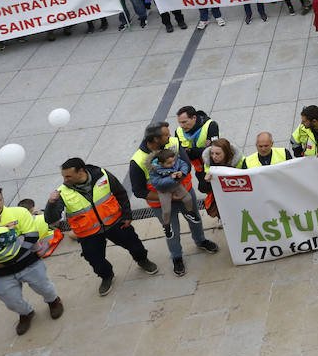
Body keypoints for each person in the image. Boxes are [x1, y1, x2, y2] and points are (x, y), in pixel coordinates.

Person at [43, 158, 159, 295]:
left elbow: (120, 193)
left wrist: (127, 215)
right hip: (89, 234)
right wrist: (51, 203)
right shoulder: (62, 192)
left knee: (135, 245)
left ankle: (142, 260)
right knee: (95, 259)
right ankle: (107, 276)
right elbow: (51, 219)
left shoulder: (102, 175)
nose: (65, 179)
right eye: (63, 176)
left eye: (68, 176)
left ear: (81, 171)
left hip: (115, 223)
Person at [0, 186, 64, 335]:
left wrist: (8, 256)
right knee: (10, 299)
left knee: (44, 287)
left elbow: (31, 236)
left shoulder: (19, 212)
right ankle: (26, 313)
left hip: (28, 264)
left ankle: (53, 301)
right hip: (1, 273)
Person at [128, 123, 218, 275]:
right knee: (172, 231)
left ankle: (200, 240)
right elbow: (138, 191)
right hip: (161, 204)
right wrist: (168, 196)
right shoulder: (137, 161)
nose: (169, 136)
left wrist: (180, 177)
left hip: (185, 195)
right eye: (165, 135)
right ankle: (177, 257)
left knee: (195, 220)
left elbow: (187, 165)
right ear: (155, 139)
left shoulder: (173, 143)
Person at [146, 147, 198, 238]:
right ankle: (166, 225)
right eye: (169, 163)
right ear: (161, 163)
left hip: (176, 185)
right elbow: (157, 184)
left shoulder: (175, 160)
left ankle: (190, 213)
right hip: (164, 190)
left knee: (188, 198)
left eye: (173, 161)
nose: (173, 164)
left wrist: (182, 172)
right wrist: (171, 178)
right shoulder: (154, 170)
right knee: (166, 210)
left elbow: (184, 165)